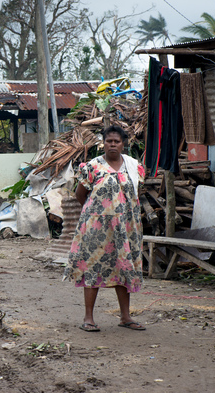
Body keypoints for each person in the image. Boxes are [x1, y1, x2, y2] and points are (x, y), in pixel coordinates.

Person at [64, 125, 146, 332]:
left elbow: (135, 194)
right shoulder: (92, 167)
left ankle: (125, 317)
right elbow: (80, 195)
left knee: (123, 267)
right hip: (96, 229)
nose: (112, 144)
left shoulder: (133, 167)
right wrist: (98, 215)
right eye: (109, 141)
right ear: (104, 143)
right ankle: (88, 318)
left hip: (126, 228)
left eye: (117, 141)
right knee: (93, 268)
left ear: (123, 143)